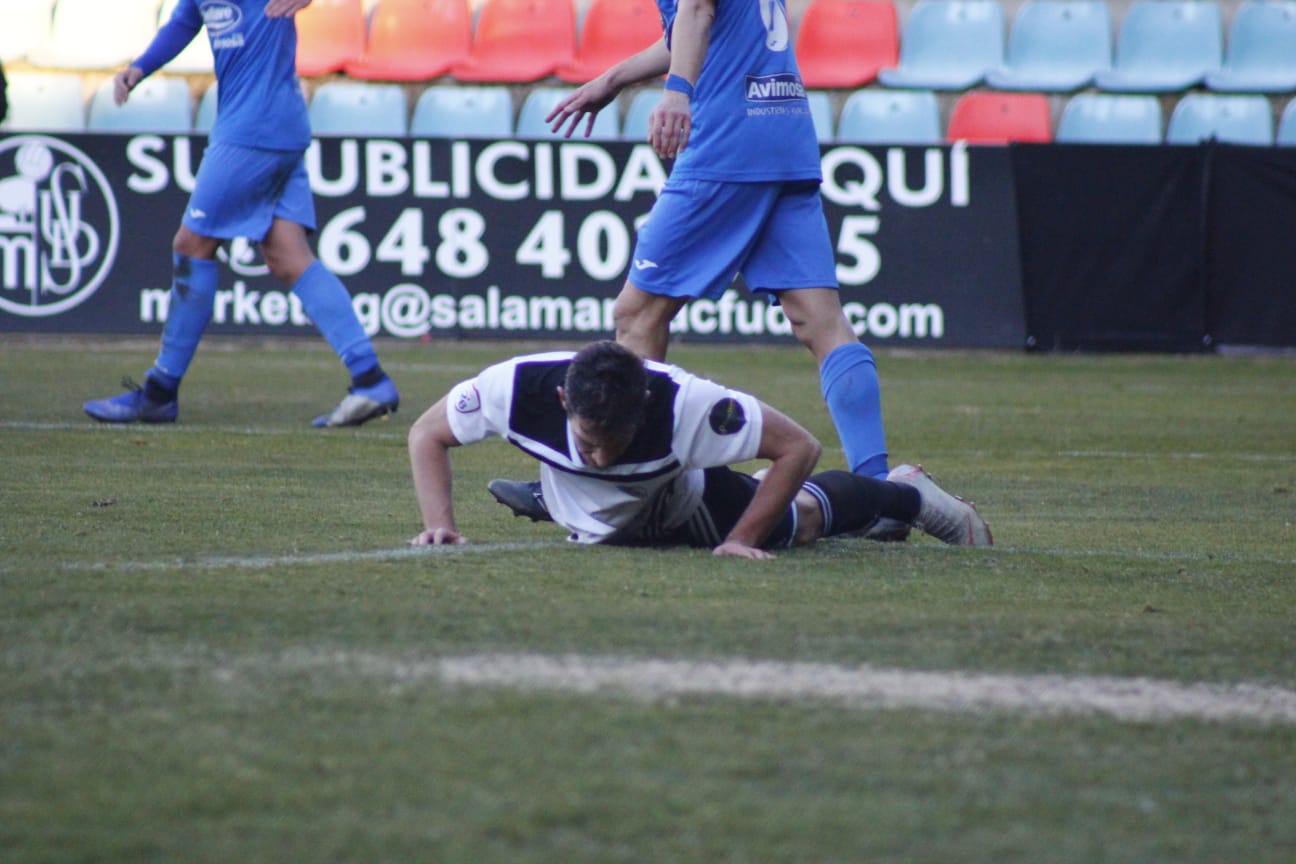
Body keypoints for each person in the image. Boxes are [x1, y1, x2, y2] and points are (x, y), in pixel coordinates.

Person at [493, 0, 909, 538]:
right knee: (821, 321)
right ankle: (879, 495)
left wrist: (677, 92)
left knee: (638, 314)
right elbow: (697, 28)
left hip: (726, 140)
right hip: (783, 130)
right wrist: (614, 79)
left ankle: (613, 484)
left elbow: (696, 10)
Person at [83, 0, 399, 428]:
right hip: (278, 127)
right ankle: (370, 379)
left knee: (191, 246)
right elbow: (184, 21)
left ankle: (159, 393)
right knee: (288, 256)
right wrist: (140, 68)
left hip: (252, 131)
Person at [409, 341, 991, 558]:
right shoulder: (510, 389)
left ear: (643, 405)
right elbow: (426, 435)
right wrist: (439, 526)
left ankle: (906, 495)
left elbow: (799, 446)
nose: (602, 457)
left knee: (800, 520)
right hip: (601, 515)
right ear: (563, 400)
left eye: (615, 443)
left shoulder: (688, 403)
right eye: (589, 442)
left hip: (684, 503)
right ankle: (554, 500)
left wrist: (741, 539)